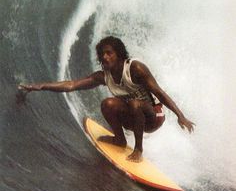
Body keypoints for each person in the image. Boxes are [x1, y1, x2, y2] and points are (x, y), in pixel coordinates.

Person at [19, 36, 195, 162]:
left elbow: (159, 93)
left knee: (134, 104)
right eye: (102, 54)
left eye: (109, 53)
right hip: (133, 118)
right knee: (108, 104)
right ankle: (120, 139)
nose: (105, 57)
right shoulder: (104, 76)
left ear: (118, 54)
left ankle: (139, 149)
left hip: (153, 117)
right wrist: (40, 86)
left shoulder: (135, 68)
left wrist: (180, 116)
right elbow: (72, 84)